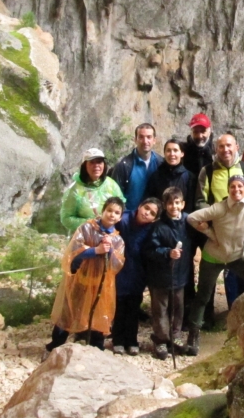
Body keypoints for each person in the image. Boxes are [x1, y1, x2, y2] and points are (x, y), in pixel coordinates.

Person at [186, 176, 244, 355]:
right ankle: (193, 334)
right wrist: (209, 233)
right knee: (203, 295)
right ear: (228, 189)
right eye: (232, 187)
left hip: (237, 257)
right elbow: (192, 218)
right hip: (213, 256)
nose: (236, 190)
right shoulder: (220, 207)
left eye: (240, 186)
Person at [46, 196, 126, 354]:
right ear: (103, 211)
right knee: (69, 311)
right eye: (109, 210)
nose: (112, 215)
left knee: (98, 313)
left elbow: (117, 264)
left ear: (120, 217)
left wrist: (110, 250)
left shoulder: (117, 239)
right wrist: (95, 251)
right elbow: (74, 251)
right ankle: (55, 345)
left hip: (100, 283)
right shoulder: (86, 229)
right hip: (80, 280)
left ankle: (96, 348)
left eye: (116, 212)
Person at [196, 133, 244, 314]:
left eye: (229, 145)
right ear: (216, 149)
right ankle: (207, 317)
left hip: (240, 234)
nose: (226, 150)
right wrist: (213, 219)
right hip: (215, 233)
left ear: (237, 147)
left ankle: (239, 313)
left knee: (240, 275)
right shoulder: (207, 171)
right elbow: (200, 200)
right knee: (210, 276)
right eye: (221, 146)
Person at [142, 187, 199, 359]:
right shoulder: (158, 227)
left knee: (178, 308)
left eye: (177, 203)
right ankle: (161, 339)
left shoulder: (189, 222)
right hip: (160, 277)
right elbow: (150, 250)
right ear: (165, 205)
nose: (174, 207)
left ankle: (175, 336)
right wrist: (167, 253)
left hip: (181, 276)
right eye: (170, 203)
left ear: (183, 204)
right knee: (160, 310)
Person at [112, 197, 162, 355]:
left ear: (155, 218)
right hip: (119, 269)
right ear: (139, 206)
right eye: (146, 208)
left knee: (133, 307)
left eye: (152, 213)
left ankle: (131, 340)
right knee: (119, 307)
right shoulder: (123, 219)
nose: (147, 213)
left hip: (138, 272)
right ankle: (117, 340)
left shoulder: (152, 229)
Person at [60, 148, 125, 235]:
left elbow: (121, 208)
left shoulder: (111, 184)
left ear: (104, 165)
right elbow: (66, 219)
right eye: (92, 162)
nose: (96, 165)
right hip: (83, 239)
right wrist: (89, 223)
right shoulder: (75, 190)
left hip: (106, 238)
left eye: (99, 162)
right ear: (84, 166)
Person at [111, 124, 164, 212]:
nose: (145, 141)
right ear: (135, 140)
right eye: (141, 137)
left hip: (154, 219)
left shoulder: (161, 163)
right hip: (130, 218)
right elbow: (115, 196)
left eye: (149, 137)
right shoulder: (124, 166)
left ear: (154, 140)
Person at [145, 139, 197, 213]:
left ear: (182, 153)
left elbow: (190, 205)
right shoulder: (156, 176)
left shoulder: (189, 177)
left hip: (181, 220)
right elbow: (151, 199)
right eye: (168, 150)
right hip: (160, 220)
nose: (172, 154)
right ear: (165, 153)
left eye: (175, 150)